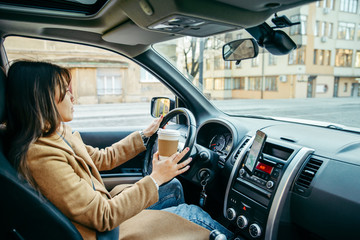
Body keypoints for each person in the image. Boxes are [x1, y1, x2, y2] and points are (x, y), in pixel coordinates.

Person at [5, 60, 233, 240]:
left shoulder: (56, 132)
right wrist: (155, 178)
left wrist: (144, 136)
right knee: (197, 217)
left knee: (172, 187)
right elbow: (103, 217)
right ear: (42, 100)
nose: (73, 97)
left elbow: (101, 159)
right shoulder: (40, 155)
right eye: (65, 91)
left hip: (101, 209)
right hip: (104, 231)